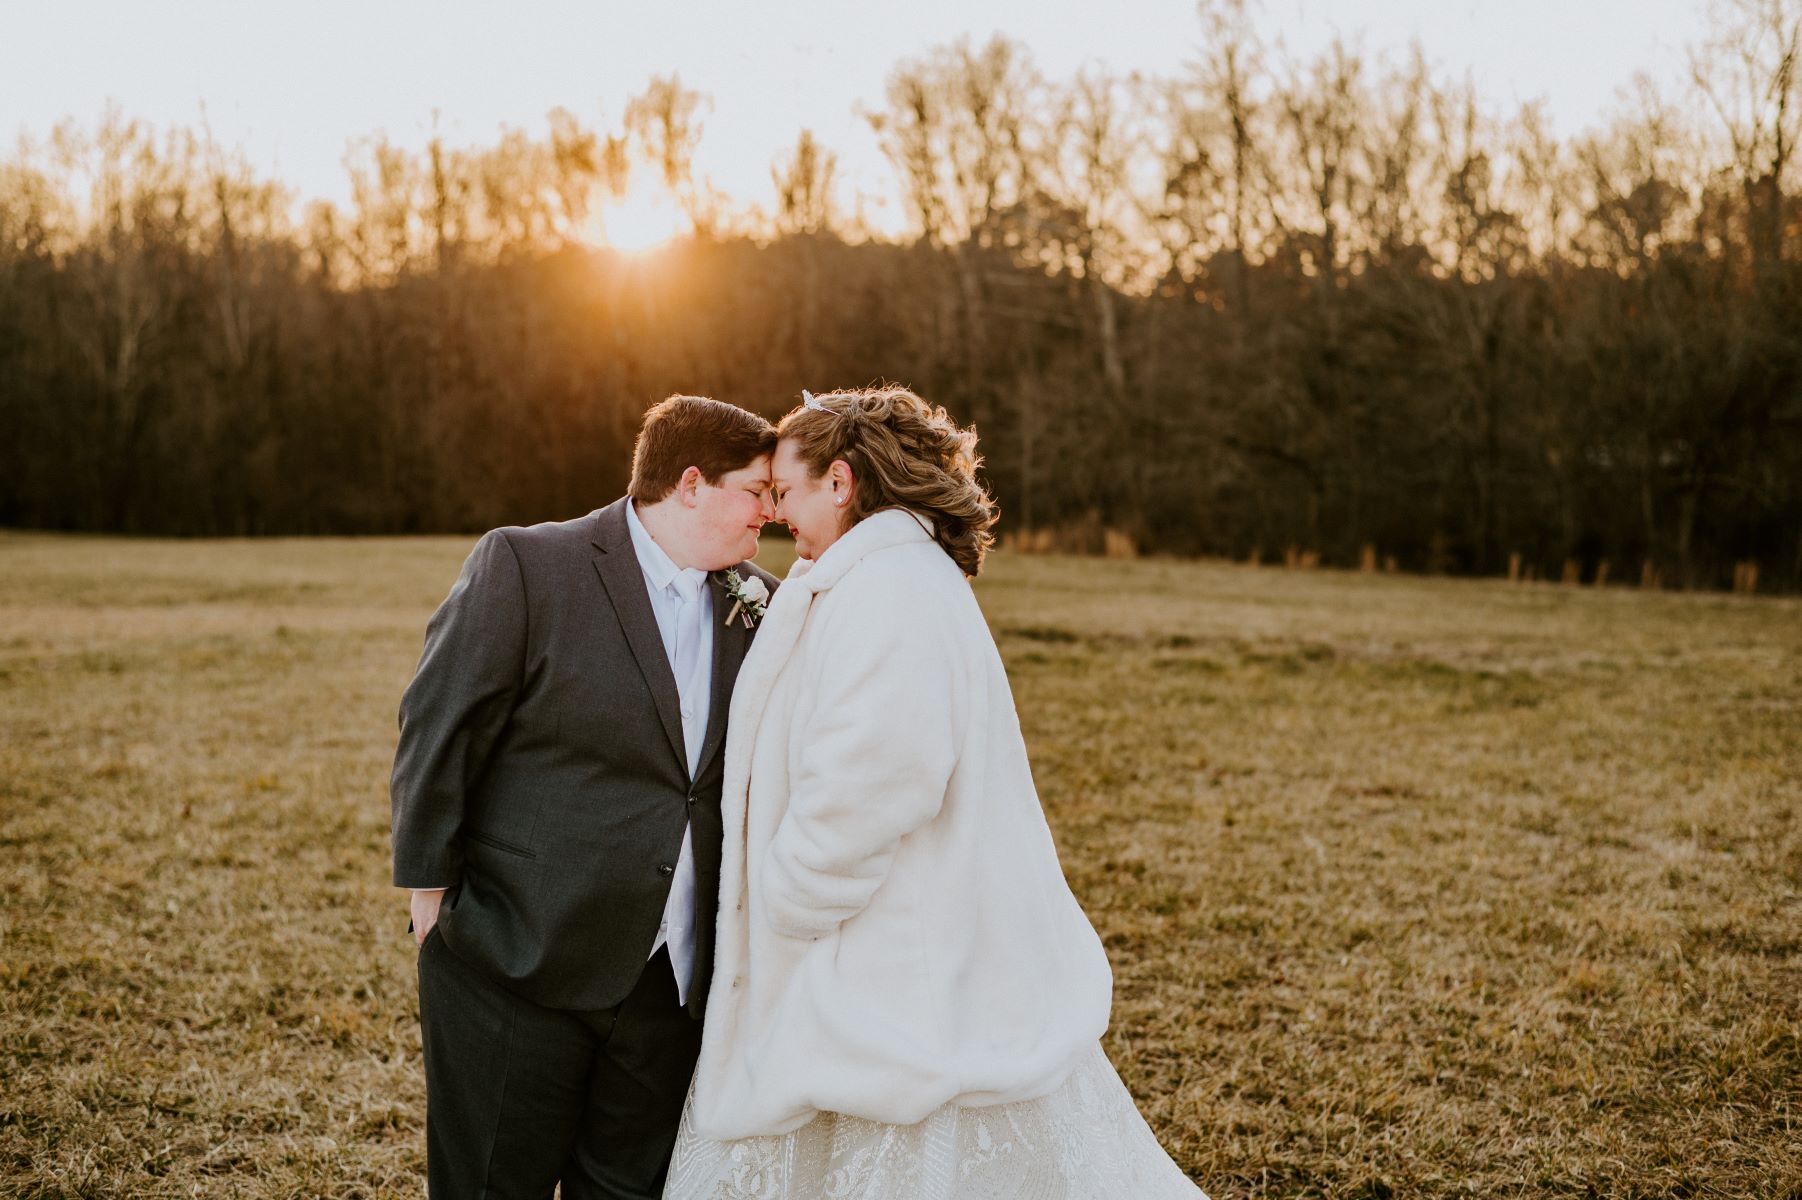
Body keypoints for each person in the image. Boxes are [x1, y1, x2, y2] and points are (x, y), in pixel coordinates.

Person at [664, 387, 1208, 1199]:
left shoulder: (889, 592)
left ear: (841, 483)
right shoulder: (875, 576)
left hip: (887, 961)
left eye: (786, 490)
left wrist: (789, 896)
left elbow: (875, 774)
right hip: (874, 949)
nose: (775, 512)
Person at [390, 394, 781, 1200]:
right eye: (757, 491)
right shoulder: (530, 566)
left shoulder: (762, 605)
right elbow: (440, 722)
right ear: (693, 484)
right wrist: (427, 889)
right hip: (518, 957)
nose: (769, 513)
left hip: (670, 986)